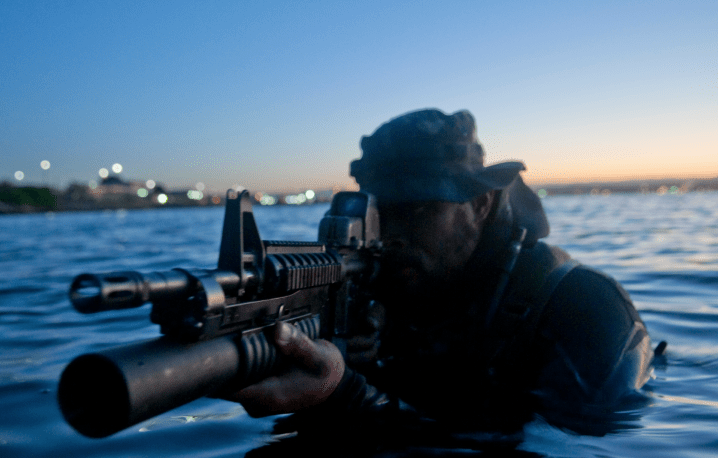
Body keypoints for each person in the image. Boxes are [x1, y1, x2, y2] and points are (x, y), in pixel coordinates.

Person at [228, 108, 654, 428]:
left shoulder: (584, 308)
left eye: (417, 211)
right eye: (381, 215)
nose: (389, 235)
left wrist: (347, 394)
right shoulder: (384, 288)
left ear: (481, 205)